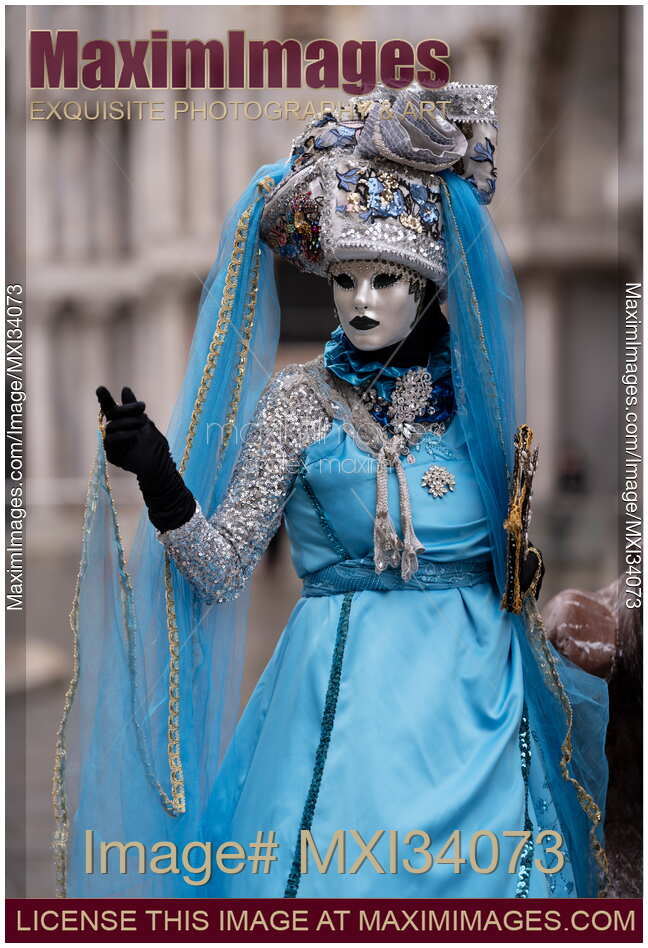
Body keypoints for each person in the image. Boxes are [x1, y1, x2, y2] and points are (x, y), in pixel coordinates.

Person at [53, 83, 609, 899]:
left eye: (385, 278)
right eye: (344, 279)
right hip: (339, 717)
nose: (359, 300)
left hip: (483, 718)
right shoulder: (294, 403)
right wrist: (161, 476)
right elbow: (219, 565)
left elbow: (514, 564)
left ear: (426, 284)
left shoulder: (480, 400)